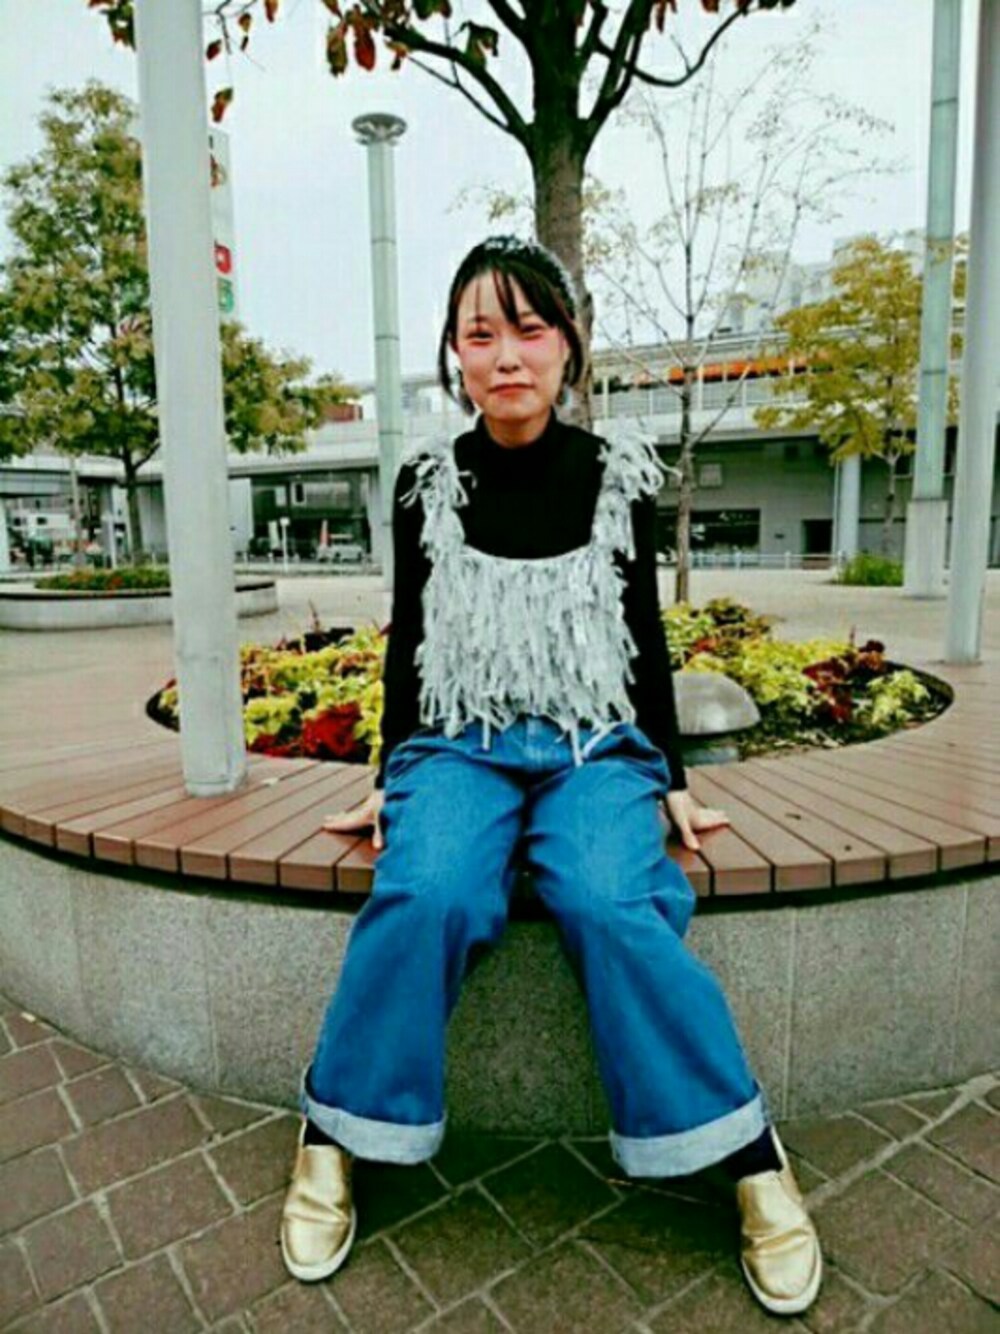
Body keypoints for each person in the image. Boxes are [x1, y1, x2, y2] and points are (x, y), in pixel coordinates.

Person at [280, 235, 822, 1316]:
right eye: (479, 334)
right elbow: (409, 637)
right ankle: (336, 1131)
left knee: (612, 899)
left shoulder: (614, 473)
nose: (506, 356)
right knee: (428, 888)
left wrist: (669, 776)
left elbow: (642, 634)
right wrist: (390, 770)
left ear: (568, 344)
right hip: (457, 744)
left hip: (593, 748)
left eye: (528, 330)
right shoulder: (425, 482)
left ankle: (746, 1151)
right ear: (455, 353)